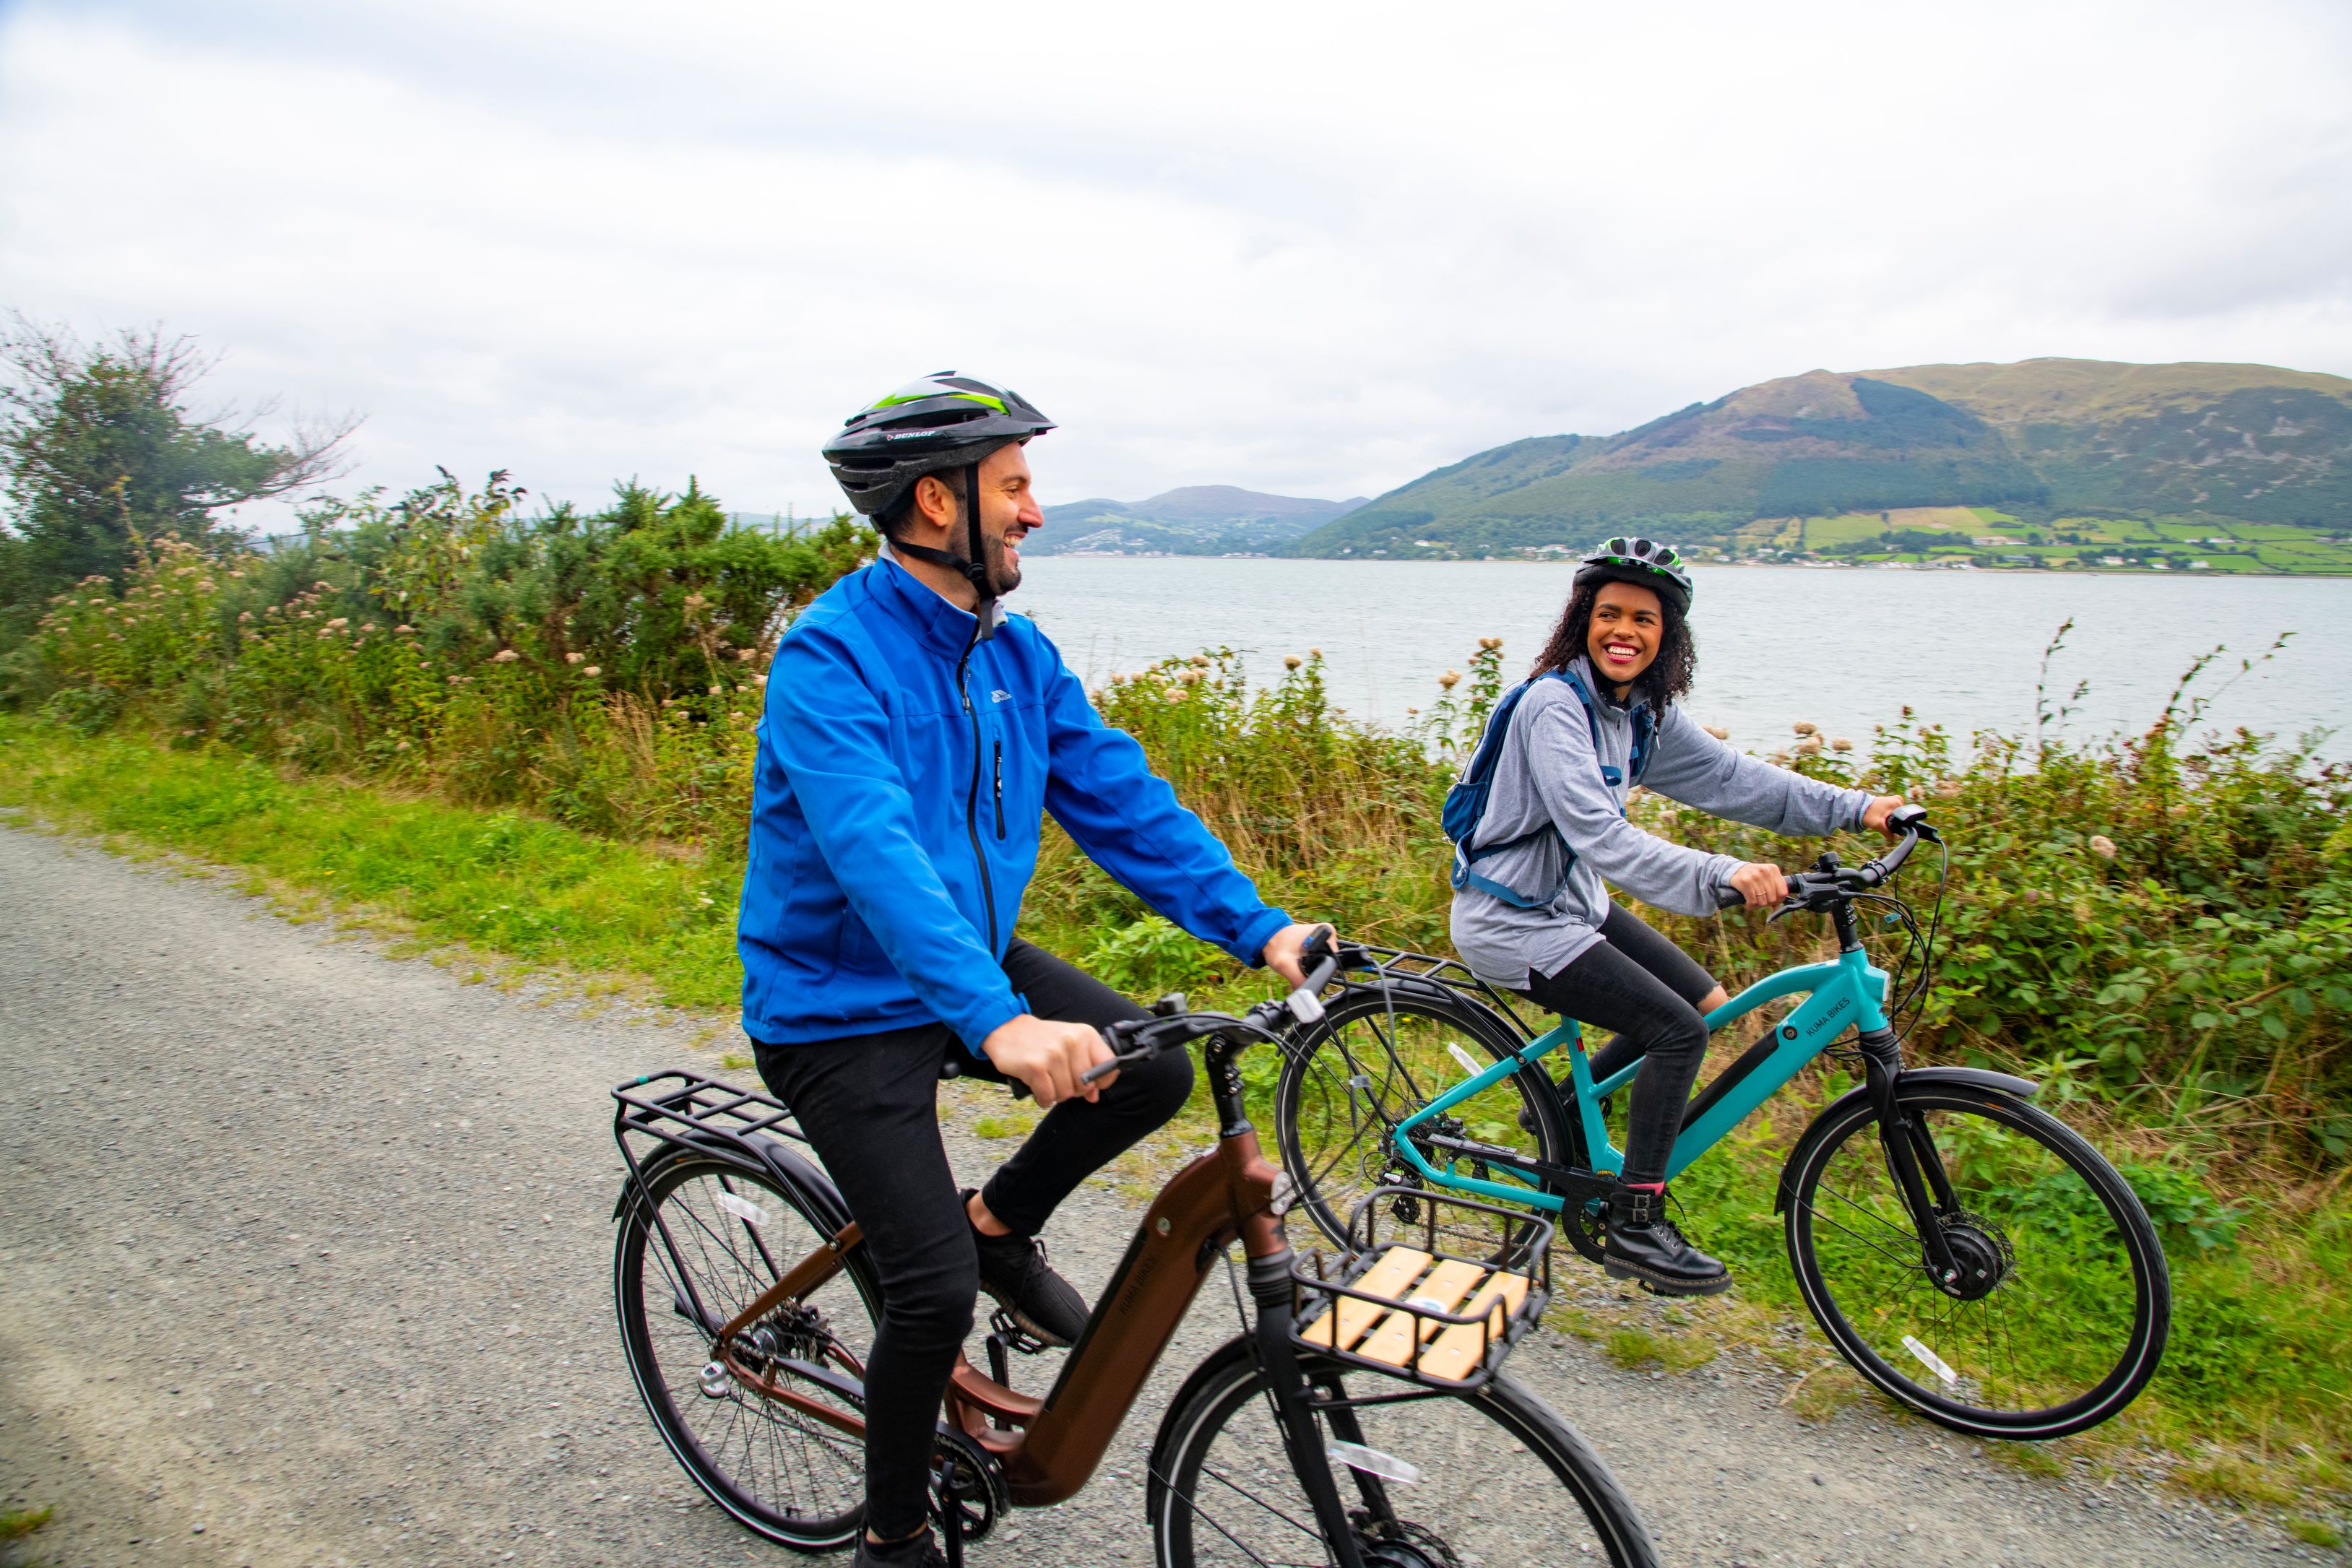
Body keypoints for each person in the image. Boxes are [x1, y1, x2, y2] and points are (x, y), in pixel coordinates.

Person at [738, 372, 1330, 1567]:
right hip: (836, 1003)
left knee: (1148, 1076)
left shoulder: (1015, 656)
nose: (1035, 512)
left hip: (965, 961)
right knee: (929, 1293)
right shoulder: (829, 660)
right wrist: (998, 1022)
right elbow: (874, 856)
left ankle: (1002, 1221)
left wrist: (1258, 927)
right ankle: (892, 1528)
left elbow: (1120, 800)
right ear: (931, 503)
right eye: (1013, 486)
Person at [1447, 537, 1905, 1296]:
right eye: (1608, 614)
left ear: (1667, 636)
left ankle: (1557, 1111)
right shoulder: (1552, 707)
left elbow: (1734, 780)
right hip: (1511, 922)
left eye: (1643, 619)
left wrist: (1859, 809)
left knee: (1706, 1002)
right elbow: (1604, 836)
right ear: (1581, 622)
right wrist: (1723, 872)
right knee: (1675, 1031)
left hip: (1575, 906)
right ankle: (1636, 1220)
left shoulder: (1638, 713)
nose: (1623, 630)